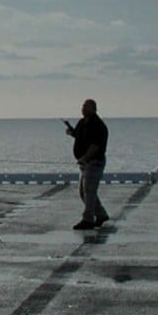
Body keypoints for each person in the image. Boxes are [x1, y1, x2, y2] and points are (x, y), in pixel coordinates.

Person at [65, 98, 109, 230]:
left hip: (94, 162)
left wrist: (85, 158)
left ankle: (88, 219)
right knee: (84, 193)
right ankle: (101, 214)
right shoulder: (82, 122)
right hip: (85, 164)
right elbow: (80, 136)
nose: (83, 109)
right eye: (83, 106)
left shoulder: (98, 125)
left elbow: (95, 146)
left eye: (86, 107)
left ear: (93, 109)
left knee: (89, 191)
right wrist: (72, 132)